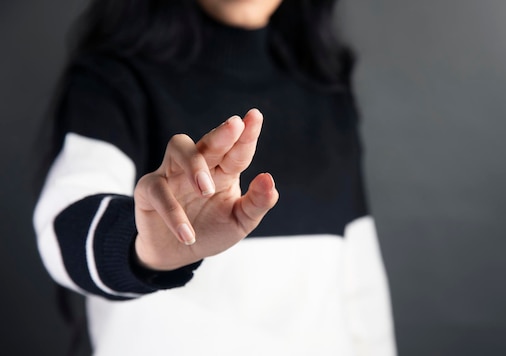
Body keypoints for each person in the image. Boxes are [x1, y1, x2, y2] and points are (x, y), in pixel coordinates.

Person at [33, 0, 396, 355]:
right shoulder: (113, 78)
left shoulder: (326, 87)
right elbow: (64, 224)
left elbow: (359, 278)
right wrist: (146, 250)